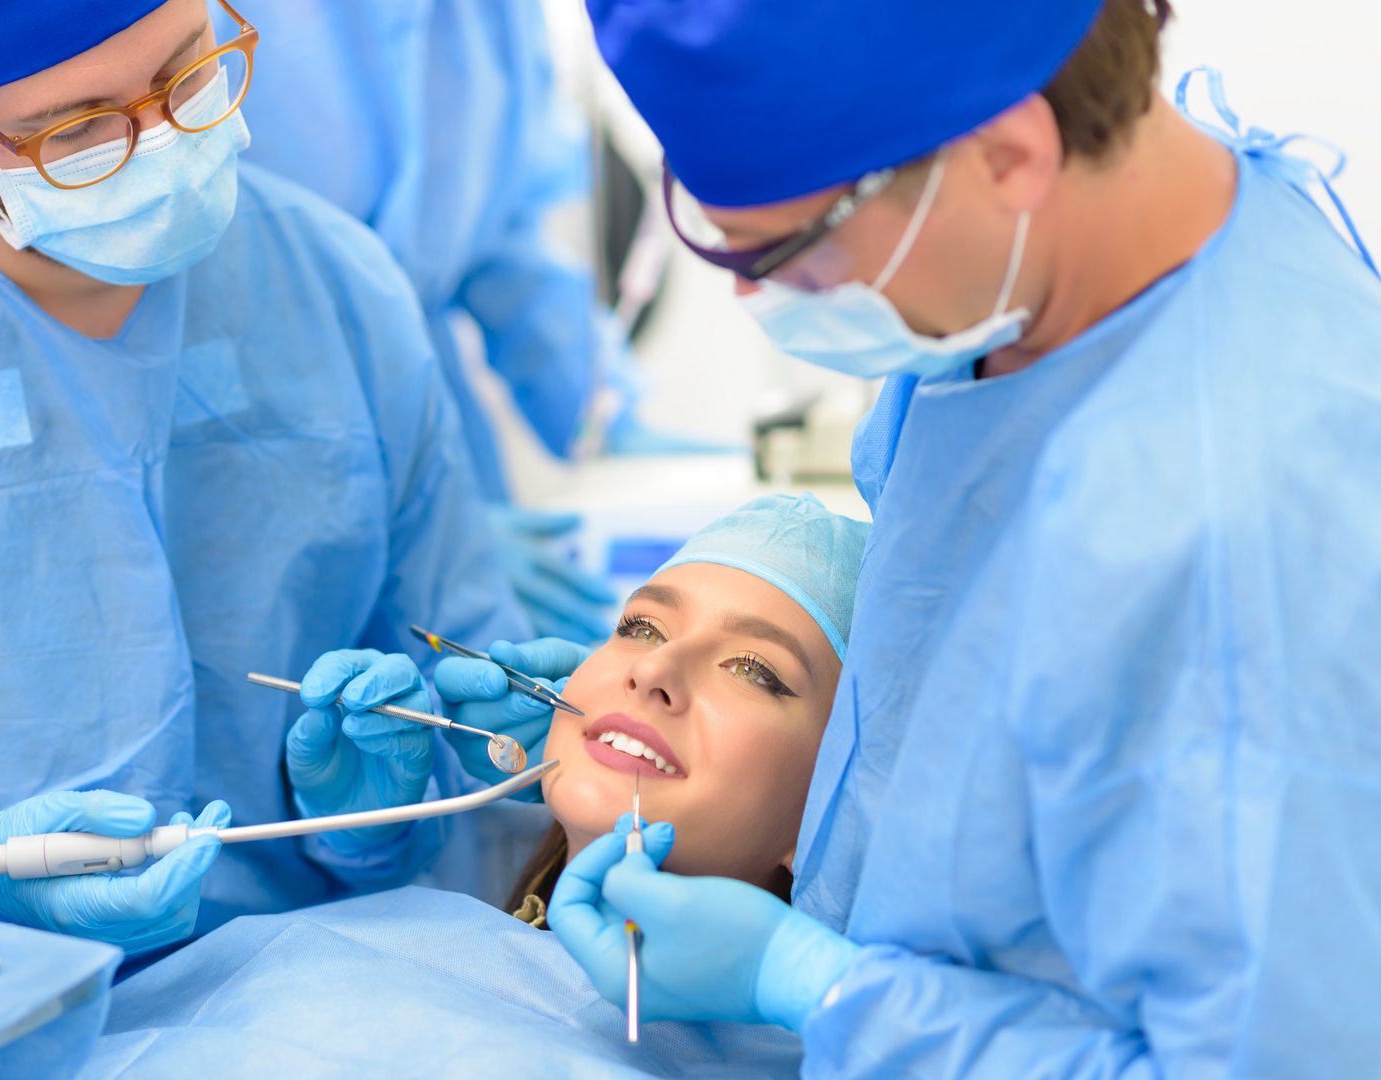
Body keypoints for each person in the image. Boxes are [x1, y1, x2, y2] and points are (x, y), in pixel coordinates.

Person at [455, 0, 1381, 1074]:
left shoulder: (1242, 530)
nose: (763, 297)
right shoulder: (1022, 293)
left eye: (794, 248)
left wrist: (819, 986)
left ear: (1008, 157)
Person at [0, 0, 529, 952]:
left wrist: (387, 815)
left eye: (188, 73)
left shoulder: (335, 286)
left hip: (321, 1011)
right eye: (81, 130)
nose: (165, 144)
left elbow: (489, 741)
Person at [73, 494, 870, 1076]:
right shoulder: (412, 939)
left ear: (839, 814)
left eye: (754, 670)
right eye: (640, 626)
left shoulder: (860, 1040)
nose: (653, 670)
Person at [233, 0, 620, 644]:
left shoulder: (491, 16)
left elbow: (501, 231)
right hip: (266, 434)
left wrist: (600, 408)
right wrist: (411, 520)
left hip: (431, 416)